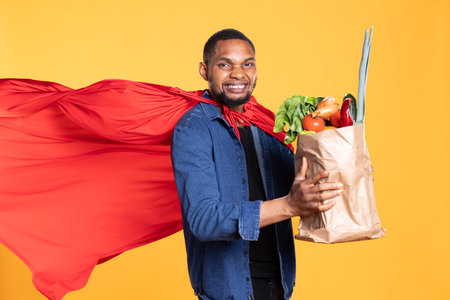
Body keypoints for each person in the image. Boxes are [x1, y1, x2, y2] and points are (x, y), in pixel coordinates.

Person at [171, 29, 343, 300]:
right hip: (229, 291)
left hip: (280, 286)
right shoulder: (194, 129)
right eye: (225, 64)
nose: (238, 74)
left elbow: (306, 191)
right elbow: (203, 221)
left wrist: (346, 166)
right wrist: (288, 206)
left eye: (247, 64)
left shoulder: (267, 129)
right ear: (205, 70)